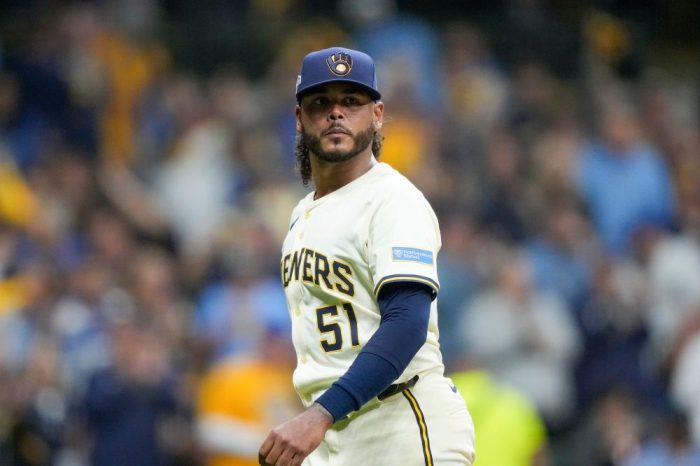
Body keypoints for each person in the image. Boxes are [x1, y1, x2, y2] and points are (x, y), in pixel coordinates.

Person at [258, 46, 475, 466]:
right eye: (320, 103)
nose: (336, 113)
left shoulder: (392, 200)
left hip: (403, 424)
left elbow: (406, 323)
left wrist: (319, 414)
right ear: (299, 118)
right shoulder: (302, 213)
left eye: (351, 101)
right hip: (336, 433)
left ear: (377, 115)